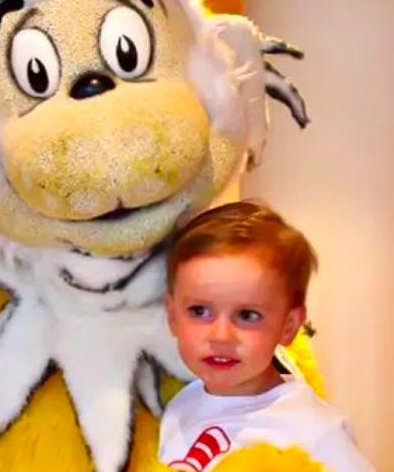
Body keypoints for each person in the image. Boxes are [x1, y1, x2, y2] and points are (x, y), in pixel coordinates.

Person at [159, 200, 374, 471]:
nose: (221, 336)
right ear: (172, 316)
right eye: (200, 311)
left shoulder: (316, 432)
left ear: (288, 326)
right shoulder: (181, 406)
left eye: (247, 315)